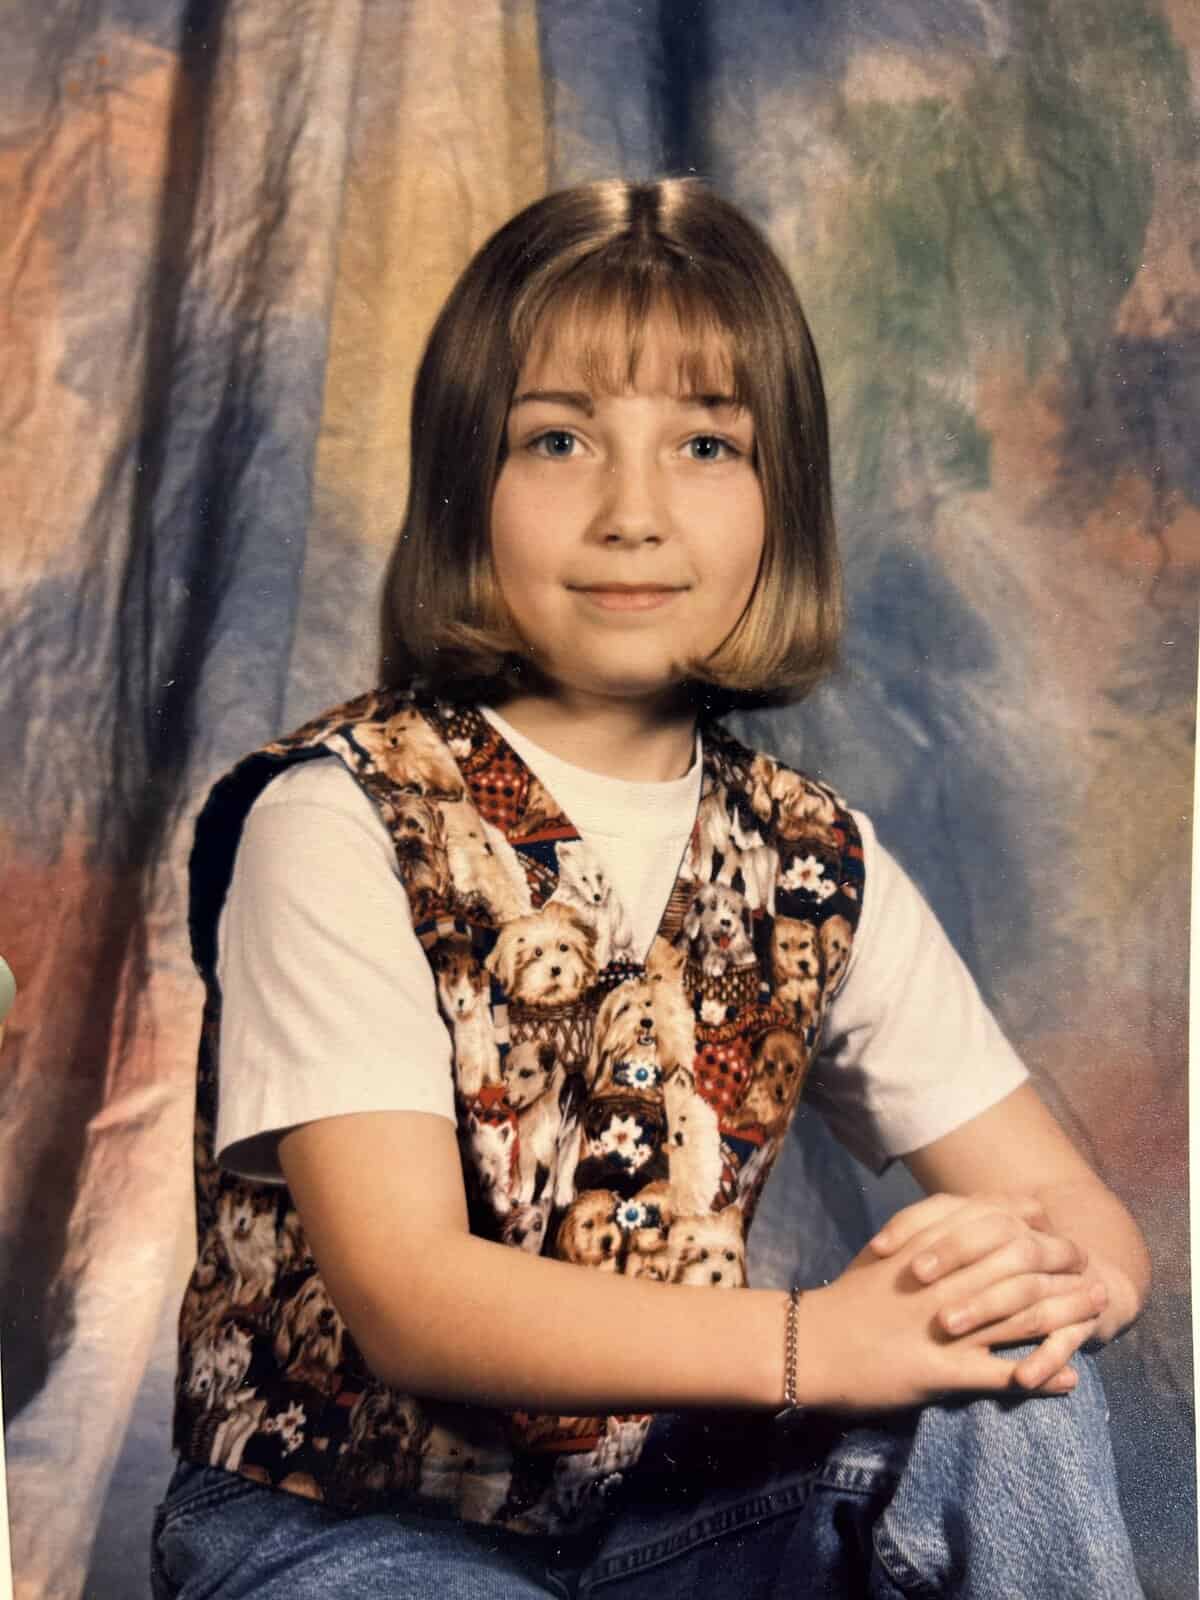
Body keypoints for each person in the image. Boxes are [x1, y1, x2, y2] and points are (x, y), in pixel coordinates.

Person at [152, 178, 1151, 1599]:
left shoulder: (812, 857)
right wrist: (815, 1344)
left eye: (704, 443)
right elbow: (410, 1302)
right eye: (557, 439)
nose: (634, 512)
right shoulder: (338, 818)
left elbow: (1078, 1212)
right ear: (463, 487)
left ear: (779, 500)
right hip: (347, 1532)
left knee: (1017, 1386)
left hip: (656, 1534)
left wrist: (1045, 1281)